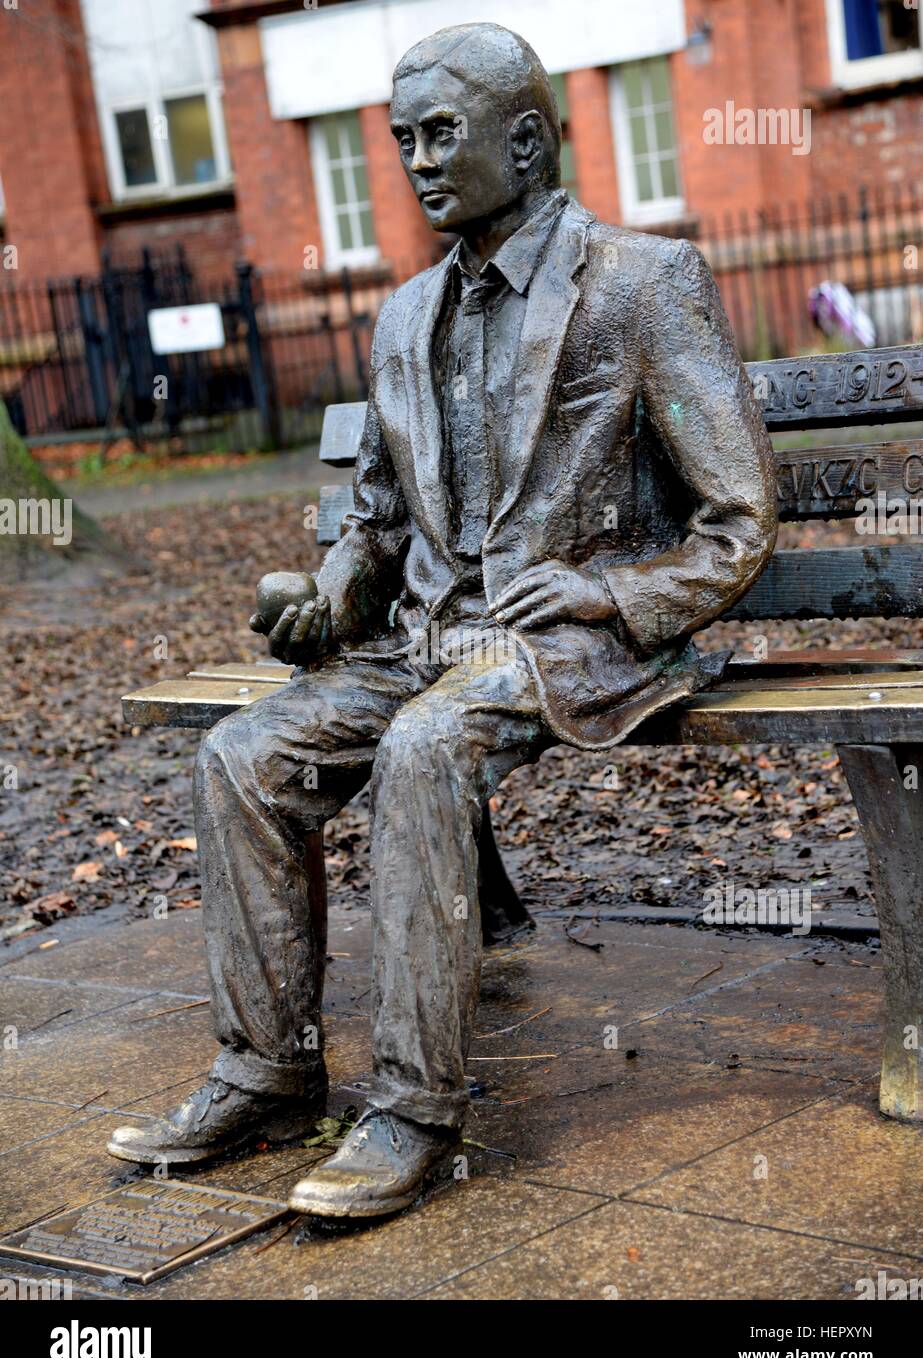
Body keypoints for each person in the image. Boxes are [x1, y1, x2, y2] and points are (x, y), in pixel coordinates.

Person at [108, 22, 777, 1219]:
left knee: (424, 748)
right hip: (423, 639)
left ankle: (413, 1109)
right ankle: (266, 1072)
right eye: (402, 137)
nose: (415, 162)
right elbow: (374, 521)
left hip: (575, 642)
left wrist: (606, 591)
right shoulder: (403, 314)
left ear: (524, 141)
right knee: (241, 756)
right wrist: (326, 595)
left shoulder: (641, 282)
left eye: (439, 135)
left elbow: (735, 523)